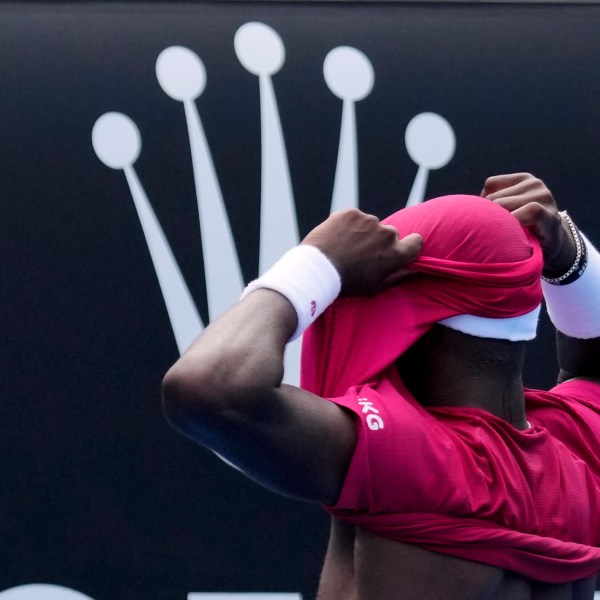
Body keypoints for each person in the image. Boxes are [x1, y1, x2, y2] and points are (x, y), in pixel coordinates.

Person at [162, 172, 600, 599]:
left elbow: (208, 389)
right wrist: (569, 257)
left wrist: (317, 264)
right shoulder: (580, 447)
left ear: (413, 314)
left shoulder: (410, 455)